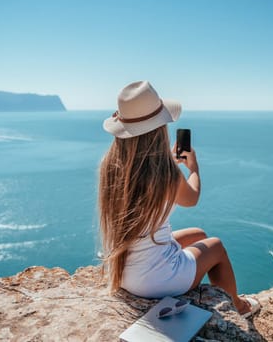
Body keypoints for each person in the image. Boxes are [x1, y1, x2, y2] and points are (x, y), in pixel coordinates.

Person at [98, 81, 260, 317]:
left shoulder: (111, 165)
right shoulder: (164, 173)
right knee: (216, 247)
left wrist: (170, 167)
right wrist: (193, 169)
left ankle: (230, 300)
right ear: (158, 129)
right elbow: (191, 198)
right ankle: (238, 306)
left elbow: (146, 182)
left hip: (124, 272)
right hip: (156, 281)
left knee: (199, 235)